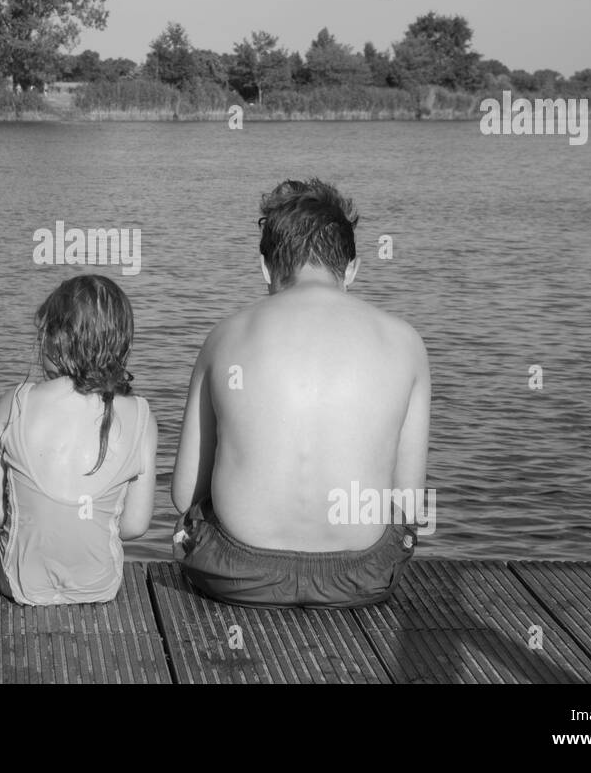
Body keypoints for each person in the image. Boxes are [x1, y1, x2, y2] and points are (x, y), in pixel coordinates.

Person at [171, 179, 430, 608]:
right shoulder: (404, 342)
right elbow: (409, 504)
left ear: (265, 268)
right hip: (361, 577)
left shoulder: (226, 336)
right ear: (351, 269)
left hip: (236, 575)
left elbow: (184, 495)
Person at [0, 275, 157, 605]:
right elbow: (136, 524)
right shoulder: (141, 415)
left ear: (55, 339)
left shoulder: (15, 401)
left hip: (20, 584)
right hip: (100, 585)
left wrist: (37, 523)